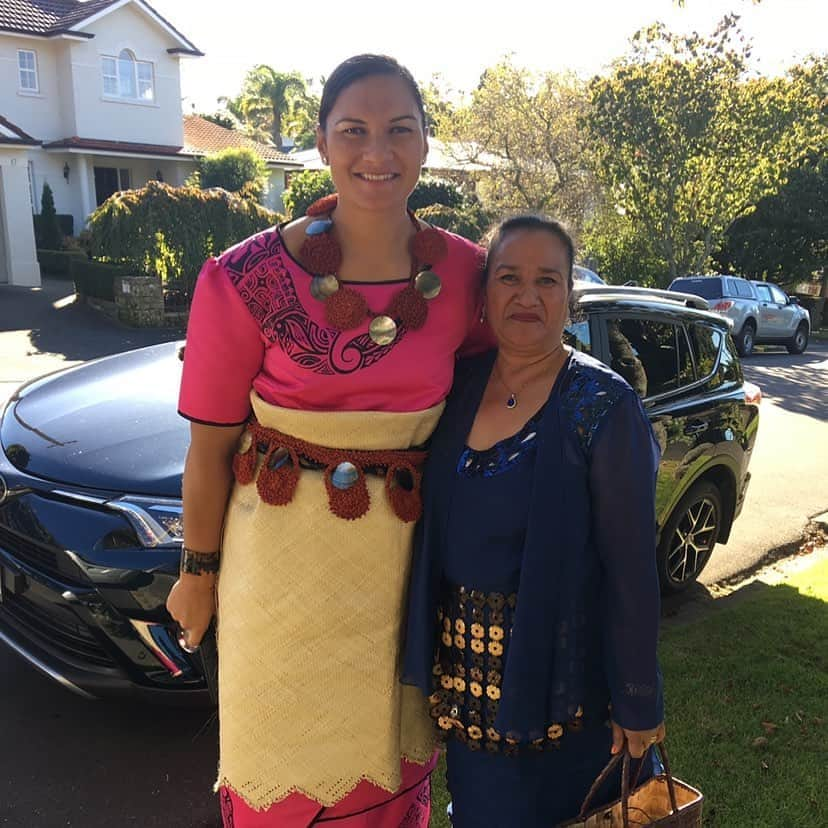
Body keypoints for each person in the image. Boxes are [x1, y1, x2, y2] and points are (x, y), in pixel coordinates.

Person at [167, 54, 490, 827]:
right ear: (321, 141)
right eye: (354, 130)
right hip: (280, 587)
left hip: (408, 585)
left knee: (389, 783)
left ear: (424, 143)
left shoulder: (469, 276)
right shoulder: (242, 278)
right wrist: (198, 572)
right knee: (282, 781)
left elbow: (500, 408)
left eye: (398, 130)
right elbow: (210, 452)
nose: (376, 152)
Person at [402, 215, 666, 827]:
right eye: (508, 277)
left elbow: (631, 569)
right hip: (469, 695)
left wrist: (637, 697)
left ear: (570, 295)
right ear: (485, 292)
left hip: (566, 696)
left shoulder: (603, 405)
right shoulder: (458, 385)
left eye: (547, 280)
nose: (527, 295)